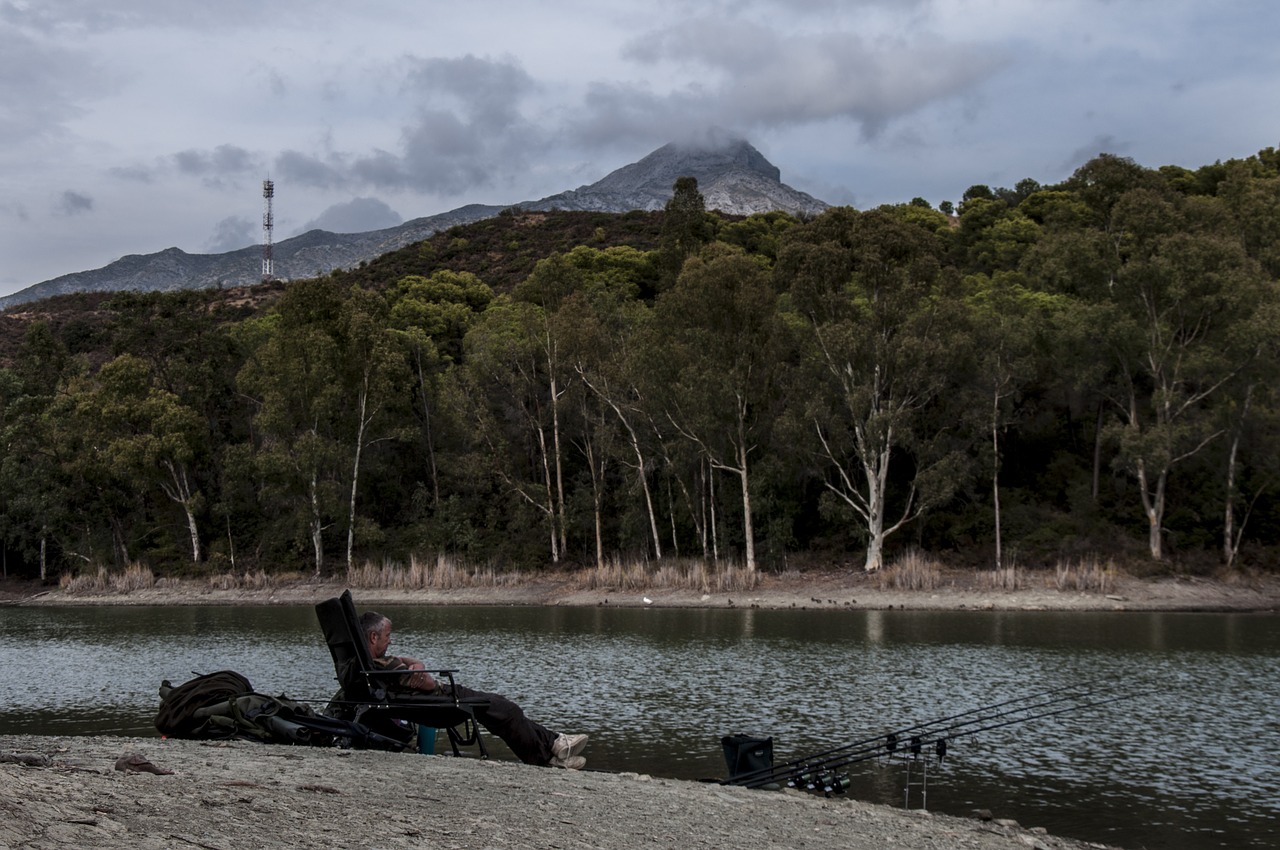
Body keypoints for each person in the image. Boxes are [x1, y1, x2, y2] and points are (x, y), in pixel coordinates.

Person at [358, 610, 589, 769]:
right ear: (373, 636)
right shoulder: (386, 667)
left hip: (440, 698)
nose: (390, 641)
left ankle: (556, 745)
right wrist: (417, 670)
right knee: (507, 710)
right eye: (387, 636)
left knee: (502, 710)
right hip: (442, 701)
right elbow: (427, 683)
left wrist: (417, 665)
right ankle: (550, 753)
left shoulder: (377, 664)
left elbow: (407, 661)